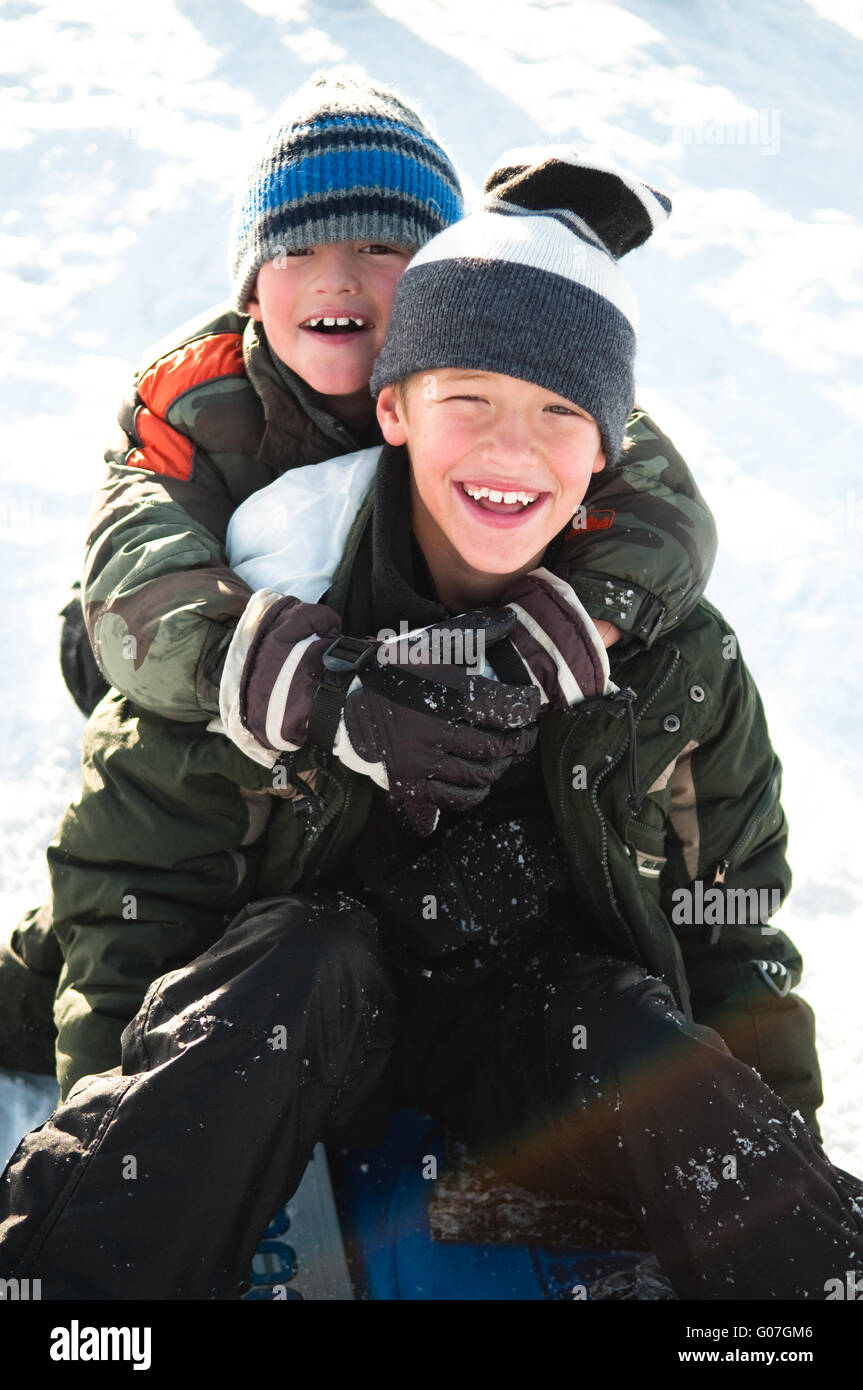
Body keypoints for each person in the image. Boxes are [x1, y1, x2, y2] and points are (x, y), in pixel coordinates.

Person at [2, 148, 860, 1303]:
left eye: (560, 414)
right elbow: (133, 883)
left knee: (618, 1022)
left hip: (526, 1025)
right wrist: (132, 1139)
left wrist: (764, 1168)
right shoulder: (261, 613)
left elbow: (730, 927)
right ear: (393, 407)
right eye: (469, 400)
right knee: (297, 956)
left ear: (609, 448)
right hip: (315, 1008)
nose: (512, 450)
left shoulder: (669, 656)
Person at [0, 73, 717, 1096]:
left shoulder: (500, 365)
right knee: (145, 836)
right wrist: (313, 680)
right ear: (252, 287)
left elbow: (658, 500)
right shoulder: (191, 399)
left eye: (381, 248)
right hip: (197, 661)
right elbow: (135, 580)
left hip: (398, 688)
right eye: (296, 250)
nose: (337, 279)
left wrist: (581, 616)